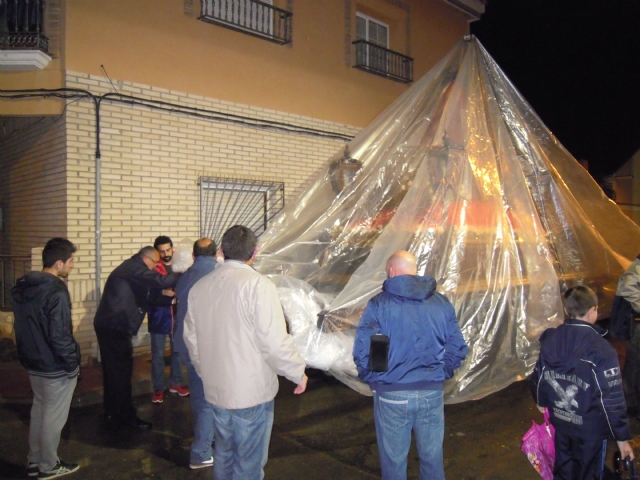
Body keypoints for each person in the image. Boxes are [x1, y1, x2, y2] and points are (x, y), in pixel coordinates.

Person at [183, 225, 307, 479]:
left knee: (225, 453)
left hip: (216, 389)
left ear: (221, 252)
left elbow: (192, 340)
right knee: (248, 462)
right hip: (250, 393)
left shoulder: (200, 287)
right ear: (255, 252)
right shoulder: (259, 286)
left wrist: (205, 372)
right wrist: (298, 372)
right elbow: (273, 341)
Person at [352, 250, 468, 480]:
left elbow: (365, 350)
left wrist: (373, 379)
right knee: (432, 459)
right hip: (431, 393)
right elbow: (458, 347)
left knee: (394, 463)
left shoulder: (378, 304)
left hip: (392, 393)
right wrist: (439, 373)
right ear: (414, 270)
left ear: (392, 272)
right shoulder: (441, 302)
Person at [531, 285, 634, 480]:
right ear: (593, 310)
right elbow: (611, 398)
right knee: (590, 472)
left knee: (564, 468)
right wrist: (622, 438)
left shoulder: (551, 339)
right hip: (590, 431)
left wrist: (540, 400)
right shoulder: (601, 349)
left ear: (567, 311)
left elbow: (539, 375)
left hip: (561, 422)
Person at [12, 238, 81, 478]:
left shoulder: (25, 286)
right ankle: (48, 465)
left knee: (40, 410)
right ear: (59, 263)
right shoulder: (56, 291)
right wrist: (72, 365)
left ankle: (35, 460)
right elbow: (60, 335)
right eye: (71, 261)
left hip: (33, 360)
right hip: (54, 365)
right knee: (53, 416)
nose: (72, 266)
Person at [93, 246, 180, 430]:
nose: (157, 266)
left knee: (114, 373)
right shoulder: (134, 268)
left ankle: (112, 411)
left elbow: (149, 298)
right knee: (121, 373)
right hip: (114, 326)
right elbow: (160, 280)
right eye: (156, 262)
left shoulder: (133, 270)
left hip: (112, 325)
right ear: (146, 259)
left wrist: (171, 301)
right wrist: (183, 270)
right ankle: (125, 418)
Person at [174, 238, 218, 470]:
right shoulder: (217, 274)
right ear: (216, 254)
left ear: (193, 255)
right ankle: (201, 452)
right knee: (208, 401)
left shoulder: (185, 277)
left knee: (200, 397)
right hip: (204, 348)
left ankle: (208, 442)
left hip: (185, 345)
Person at [148, 236, 189, 404]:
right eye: (162, 251)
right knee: (157, 355)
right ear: (157, 251)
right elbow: (147, 291)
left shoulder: (180, 264)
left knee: (177, 352)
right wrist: (161, 293)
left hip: (177, 315)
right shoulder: (153, 268)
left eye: (168, 250)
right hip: (158, 316)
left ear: (173, 249)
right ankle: (158, 387)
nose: (166, 254)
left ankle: (176, 382)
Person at [609, 255, 640, 414]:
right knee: (635, 366)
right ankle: (632, 403)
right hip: (636, 327)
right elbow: (628, 287)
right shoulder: (637, 267)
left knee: (634, 365)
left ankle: (630, 401)